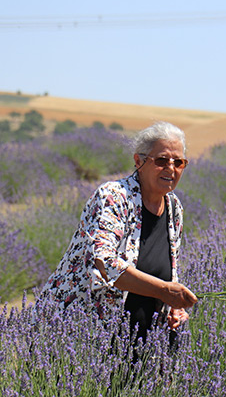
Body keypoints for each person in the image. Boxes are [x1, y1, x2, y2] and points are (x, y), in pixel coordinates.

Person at [39, 121, 198, 341]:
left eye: (178, 162)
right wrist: (163, 290)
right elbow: (105, 263)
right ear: (138, 161)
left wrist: (174, 308)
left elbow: (168, 271)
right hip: (84, 335)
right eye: (161, 160)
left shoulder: (173, 207)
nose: (171, 168)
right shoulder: (114, 197)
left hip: (144, 340)